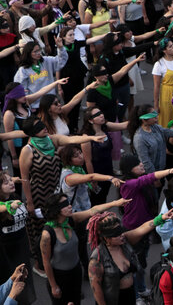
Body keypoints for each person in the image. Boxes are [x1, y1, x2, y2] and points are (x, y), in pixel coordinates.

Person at [19, 115, 106, 277]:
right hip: (39, 194)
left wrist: (93, 137)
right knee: (41, 231)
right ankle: (40, 265)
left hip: (56, 192)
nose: (44, 128)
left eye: (43, 125)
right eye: (38, 128)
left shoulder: (51, 140)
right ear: (31, 132)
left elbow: (69, 140)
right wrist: (30, 202)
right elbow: (24, 178)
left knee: (59, 226)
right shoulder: (27, 150)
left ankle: (59, 259)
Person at [40, 194, 129, 305]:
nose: (69, 206)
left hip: (76, 272)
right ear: (56, 210)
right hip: (59, 277)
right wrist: (53, 286)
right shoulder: (47, 234)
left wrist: (115, 203)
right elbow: (46, 261)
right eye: (65, 205)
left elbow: (92, 211)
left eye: (68, 203)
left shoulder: (71, 220)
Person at [87, 208, 173, 305]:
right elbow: (96, 290)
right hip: (114, 300)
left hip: (130, 295)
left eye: (120, 231)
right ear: (106, 238)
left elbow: (141, 229)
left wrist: (161, 218)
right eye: (116, 234)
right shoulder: (97, 259)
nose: (121, 235)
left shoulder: (124, 241)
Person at [0, 173, 35, 304]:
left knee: (24, 278)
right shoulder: (6, 204)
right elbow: (2, 207)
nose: (11, 183)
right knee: (10, 282)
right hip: (6, 252)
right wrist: (9, 206)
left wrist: (29, 243)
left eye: (11, 180)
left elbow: (23, 222)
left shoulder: (15, 197)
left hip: (21, 244)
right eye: (5, 182)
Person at [14, 41, 68, 109]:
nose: (38, 53)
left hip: (51, 102)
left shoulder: (47, 60)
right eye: (35, 51)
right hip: (36, 106)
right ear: (28, 53)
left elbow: (61, 61)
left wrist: (61, 48)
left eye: (39, 50)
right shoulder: (23, 70)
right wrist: (29, 105)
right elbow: (22, 89)